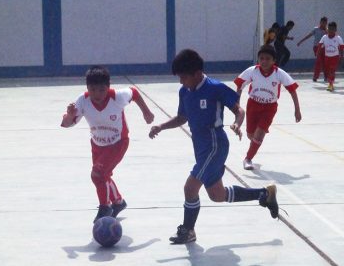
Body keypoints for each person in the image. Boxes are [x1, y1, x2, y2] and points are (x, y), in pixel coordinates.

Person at [149, 49, 279, 244]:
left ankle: (188, 230)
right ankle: (265, 194)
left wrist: (237, 123)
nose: (180, 81)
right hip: (200, 146)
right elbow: (182, 117)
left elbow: (239, 110)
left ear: (197, 73)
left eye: (183, 77)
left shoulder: (215, 88)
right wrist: (161, 126)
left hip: (215, 144)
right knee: (217, 195)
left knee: (190, 188)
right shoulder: (184, 91)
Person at [61, 66, 155, 222]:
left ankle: (105, 207)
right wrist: (70, 116)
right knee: (103, 176)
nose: (97, 94)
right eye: (92, 90)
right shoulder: (82, 101)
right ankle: (118, 202)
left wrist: (146, 111)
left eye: (101, 90)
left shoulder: (117, 97)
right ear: (87, 88)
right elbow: (67, 123)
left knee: (97, 175)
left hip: (118, 143)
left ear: (109, 87)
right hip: (97, 144)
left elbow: (135, 92)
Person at [234, 45, 302, 170]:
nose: (264, 61)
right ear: (258, 60)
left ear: (274, 60)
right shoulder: (252, 71)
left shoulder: (279, 74)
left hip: (269, 108)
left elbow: (292, 90)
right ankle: (253, 147)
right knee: (251, 135)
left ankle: (248, 158)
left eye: (268, 59)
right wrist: (237, 105)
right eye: (262, 58)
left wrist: (297, 110)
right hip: (253, 105)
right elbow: (239, 87)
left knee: (259, 134)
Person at [297, 17, 328, 82]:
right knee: (318, 62)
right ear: (320, 22)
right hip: (317, 47)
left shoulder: (327, 31)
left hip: (325, 48)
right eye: (322, 22)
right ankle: (315, 77)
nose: (323, 24)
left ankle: (326, 77)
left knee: (325, 63)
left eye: (325, 23)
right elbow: (308, 35)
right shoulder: (316, 29)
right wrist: (300, 41)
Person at [317, 22, 344, 91]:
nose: (330, 30)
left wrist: (341, 57)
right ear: (327, 29)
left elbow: (341, 48)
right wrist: (318, 53)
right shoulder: (324, 37)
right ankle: (330, 83)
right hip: (327, 57)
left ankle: (330, 84)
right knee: (328, 71)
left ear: (335, 30)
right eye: (329, 29)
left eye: (332, 29)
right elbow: (320, 46)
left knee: (332, 70)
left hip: (335, 57)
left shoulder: (338, 38)